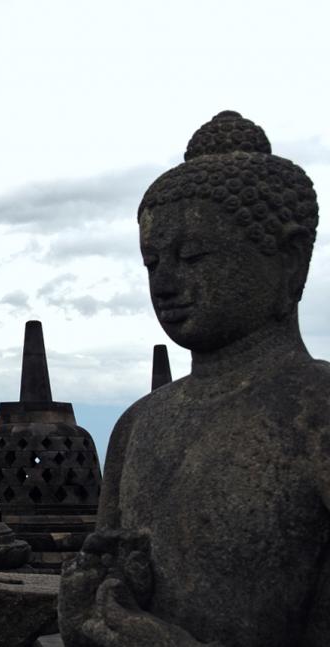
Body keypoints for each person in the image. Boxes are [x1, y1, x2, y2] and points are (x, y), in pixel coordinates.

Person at [58, 111, 329, 646]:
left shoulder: (317, 413)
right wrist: (88, 610)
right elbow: (109, 593)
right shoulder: (138, 423)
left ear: (289, 260)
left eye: (193, 256)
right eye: (151, 262)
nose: (165, 283)